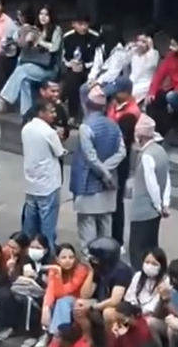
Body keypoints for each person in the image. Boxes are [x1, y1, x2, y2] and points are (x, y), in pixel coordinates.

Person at [73, 86, 127, 246]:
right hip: (109, 188)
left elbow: (90, 157)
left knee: (88, 236)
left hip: (87, 184)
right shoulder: (114, 125)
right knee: (105, 231)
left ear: (86, 105)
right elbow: (121, 152)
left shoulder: (86, 127)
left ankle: (90, 269)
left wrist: (103, 171)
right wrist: (108, 169)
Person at [128, 116, 172, 265]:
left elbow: (151, 184)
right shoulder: (161, 151)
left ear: (140, 136)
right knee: (152, 244)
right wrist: (165, 203)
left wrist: (158, 205)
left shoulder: (147, 155)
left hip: (144, 210)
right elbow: (166, 179)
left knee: (139, 249)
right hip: (156, 211)